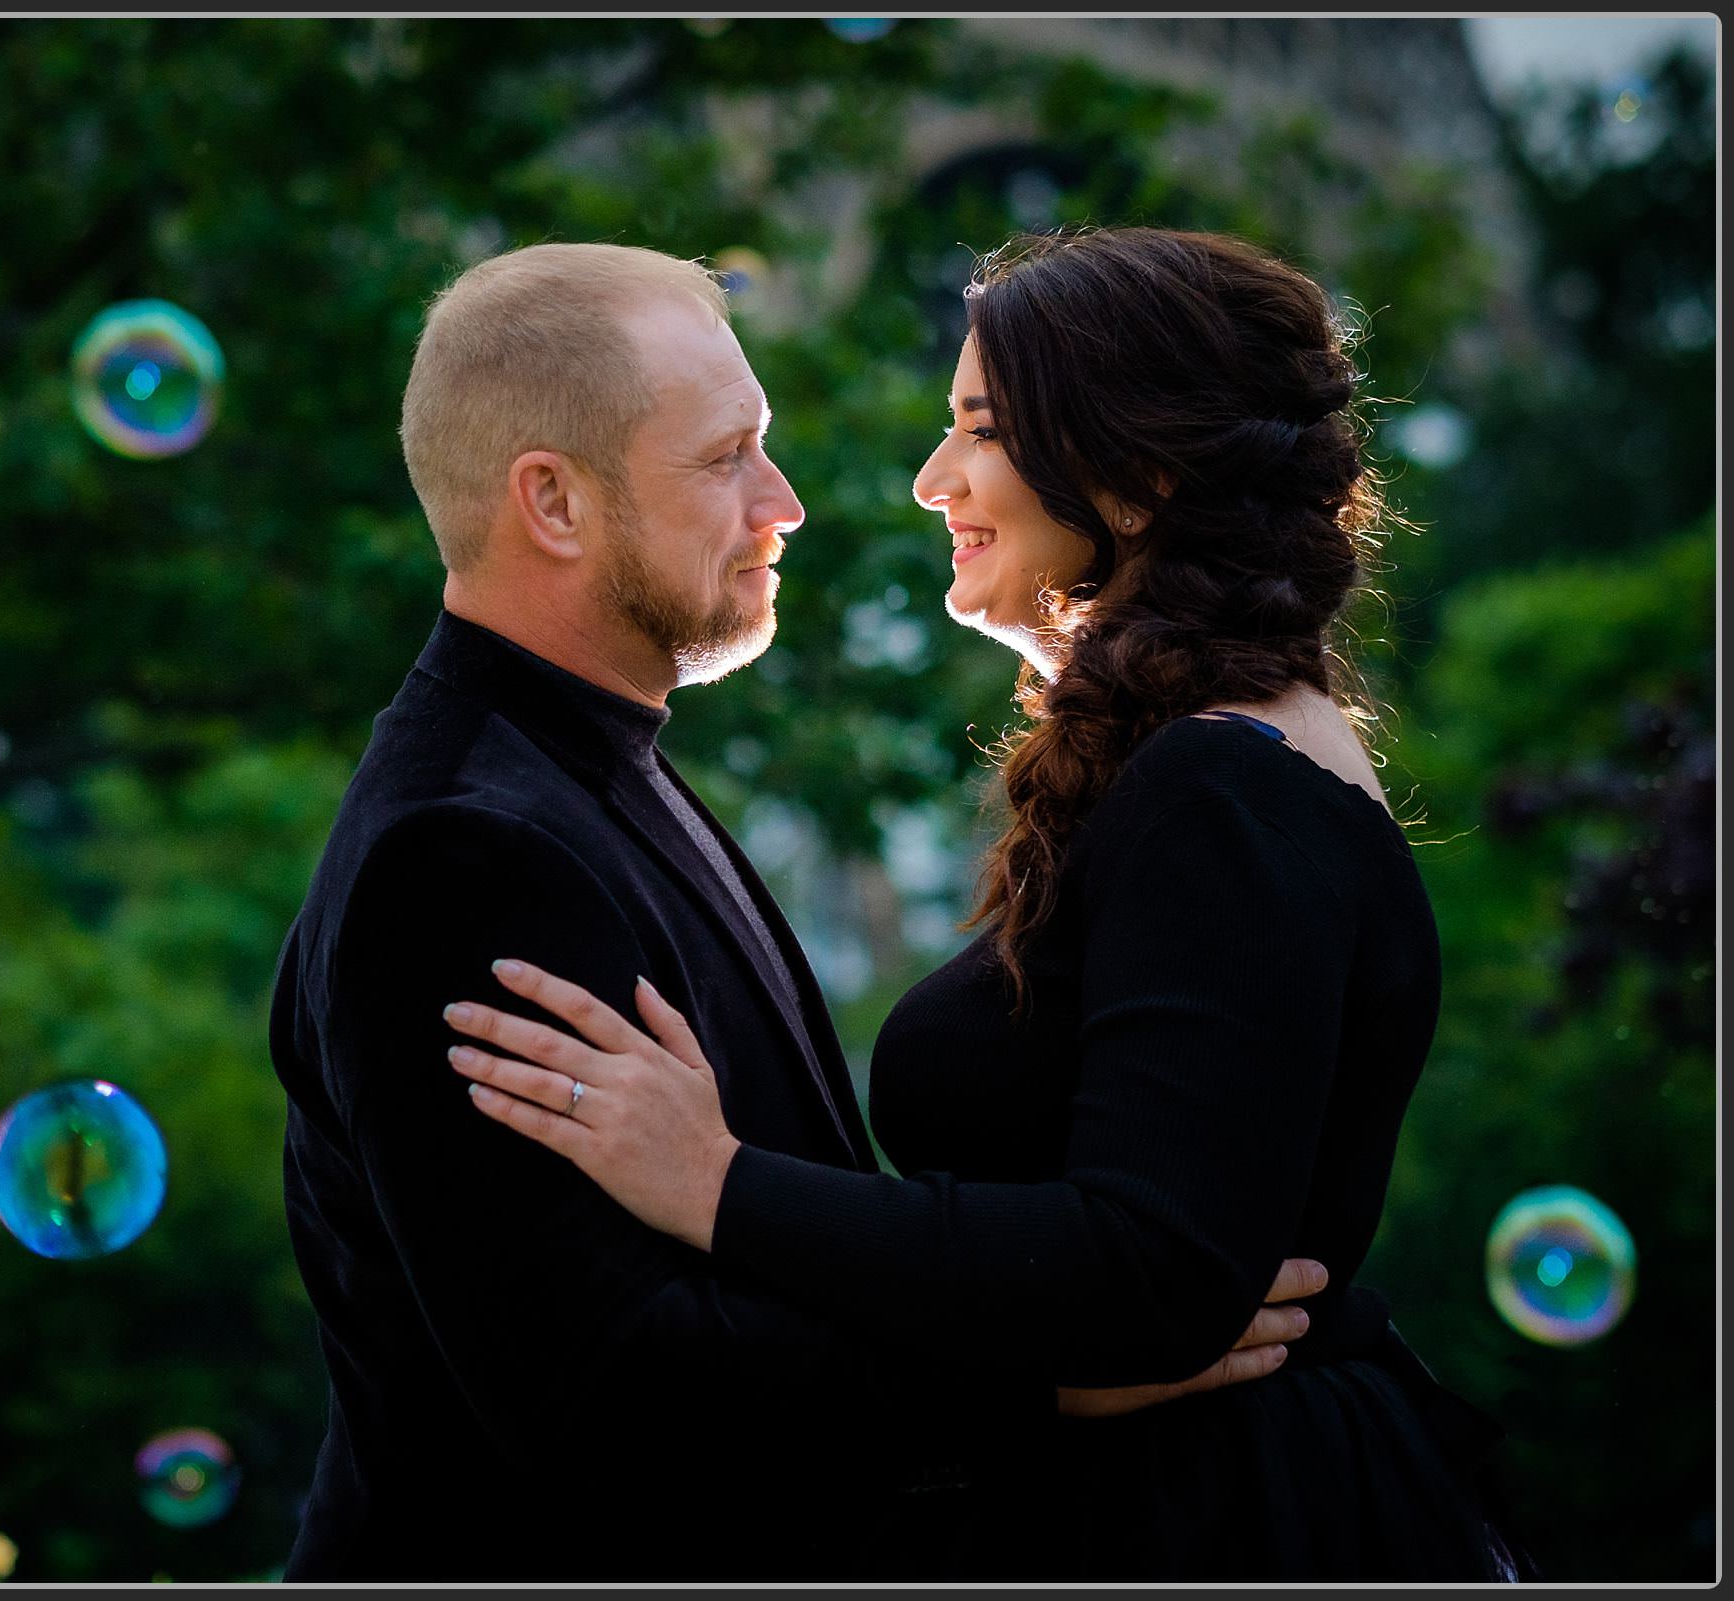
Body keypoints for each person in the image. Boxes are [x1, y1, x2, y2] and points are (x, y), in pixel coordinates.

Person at [444, 227, 1527, 1581]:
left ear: (1136, 475)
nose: (930, 479)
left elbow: (1151, 1269)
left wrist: (716, 1182)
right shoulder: (1213, 759)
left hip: (1215, 1526)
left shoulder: (1223, 787)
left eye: (982, 430)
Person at [270, 241, 1327, 1582]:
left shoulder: (589, 765)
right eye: (727, 458)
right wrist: (1049, 1376)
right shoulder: (464, 853)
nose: (787, 503)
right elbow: (614, 1397)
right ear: (554, 502)